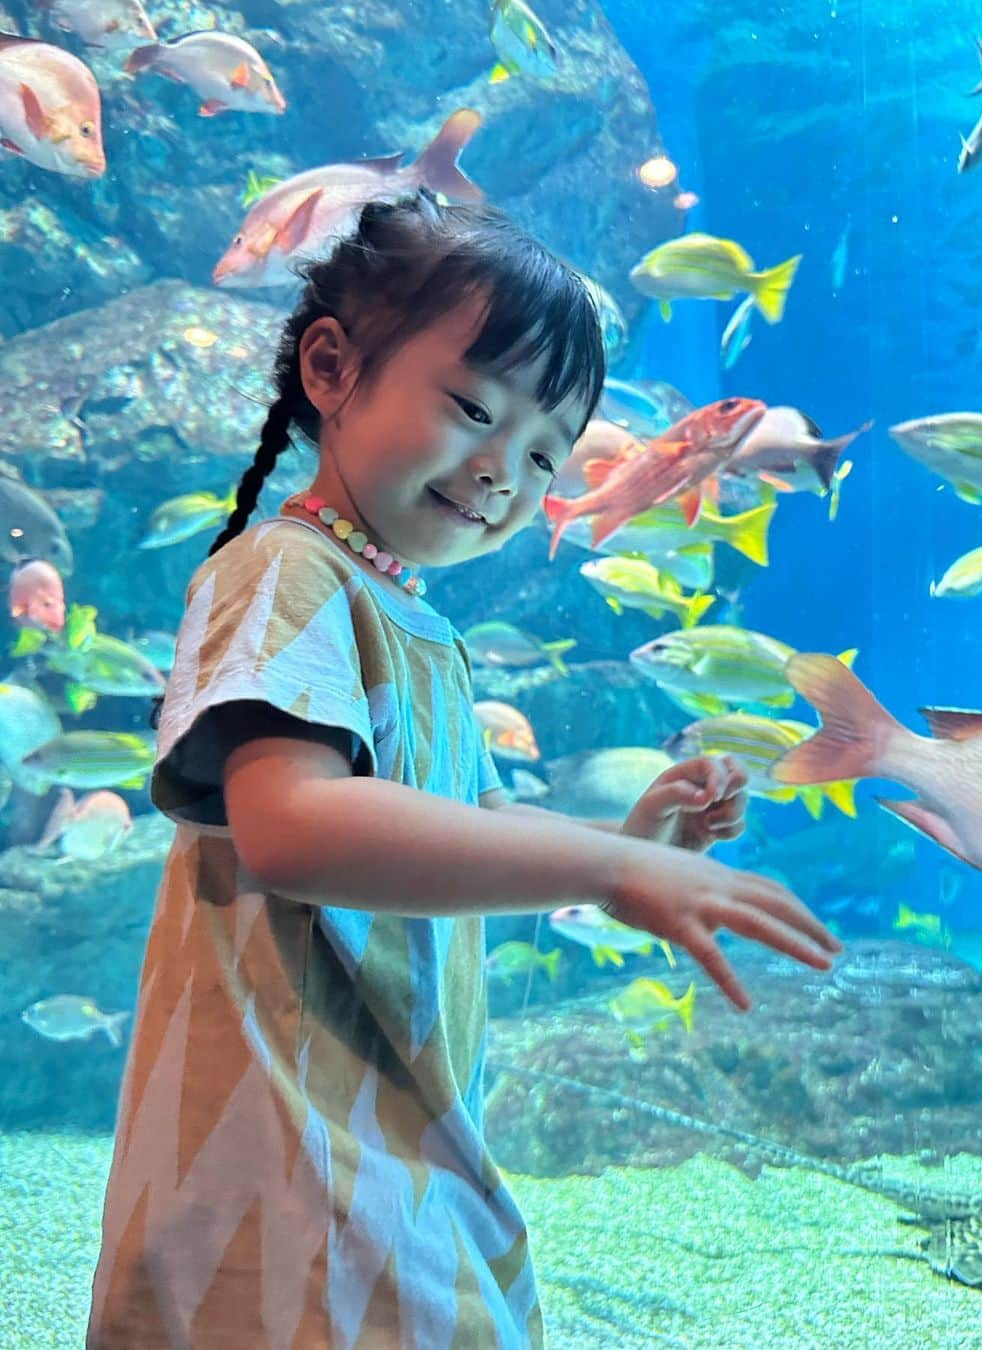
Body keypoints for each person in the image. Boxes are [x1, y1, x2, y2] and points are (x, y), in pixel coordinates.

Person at [86, 191, 842, 1349]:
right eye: (472, 408)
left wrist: (631, 848)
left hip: (390, 1135)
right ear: (332, 367)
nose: (505, 469)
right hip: (282, 1165)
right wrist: (603, 868)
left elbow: (459, 825)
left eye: (546, 453)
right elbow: (291, 824)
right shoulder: (283, 573)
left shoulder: (415, 621)